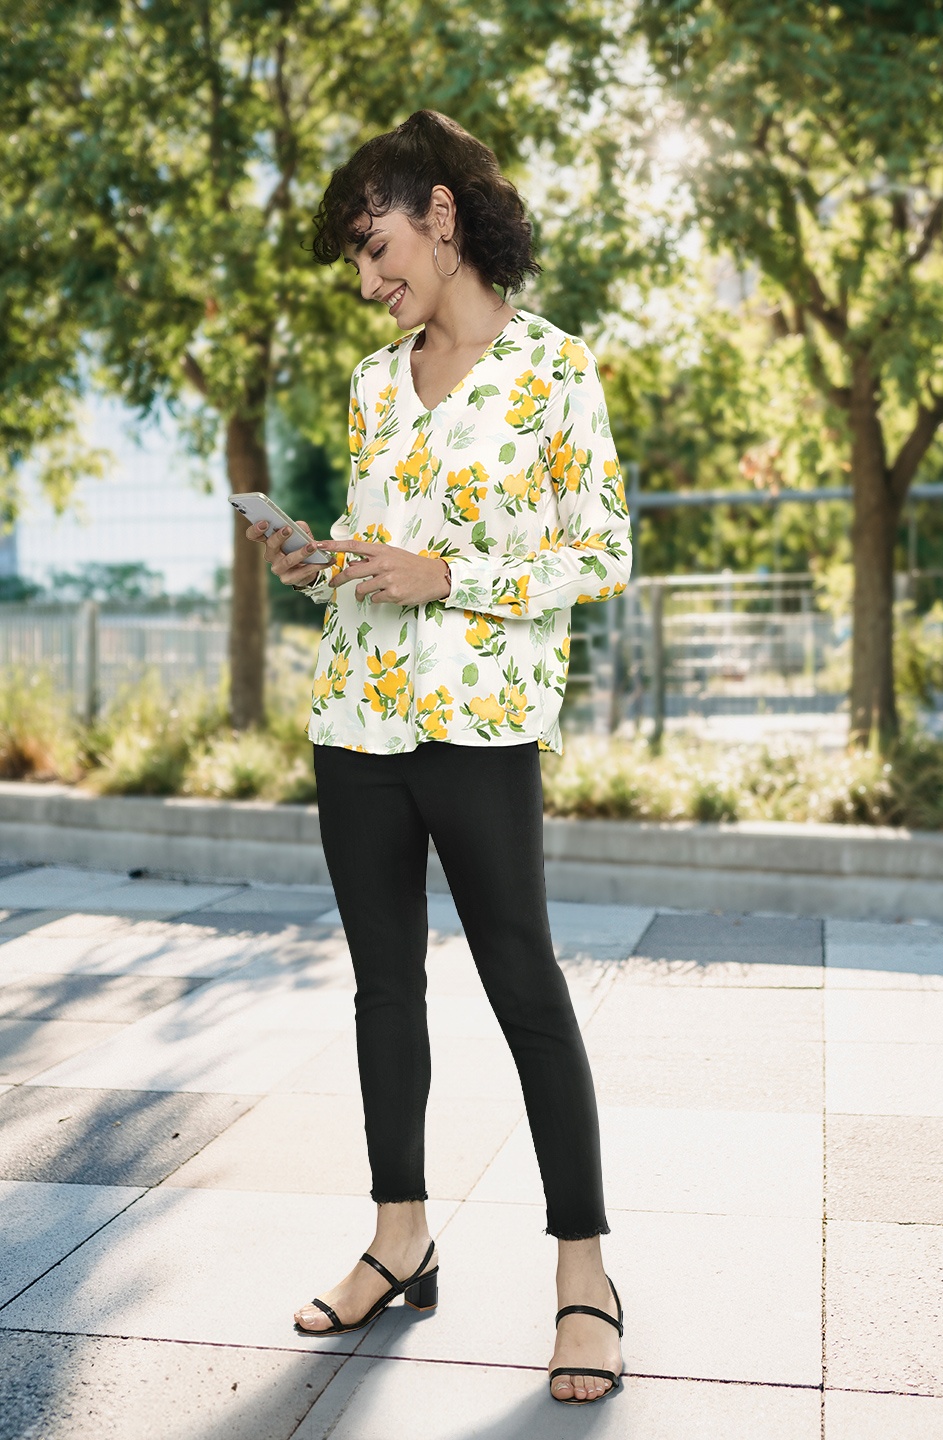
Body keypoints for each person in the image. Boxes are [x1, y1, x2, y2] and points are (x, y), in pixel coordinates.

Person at [245, 109, 631, 1405]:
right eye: (357, 260)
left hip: (479, 731)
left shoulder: (555, 370)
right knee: (381, 992)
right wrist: (321, 564)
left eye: (376, 245)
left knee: (526, 988)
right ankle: (398, 1242)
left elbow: (602, 553)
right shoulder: (371, 382)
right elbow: (373, 566)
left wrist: (449, 572)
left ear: (443, 215)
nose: (369, 278)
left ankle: (585, 1275)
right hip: (355, 723)